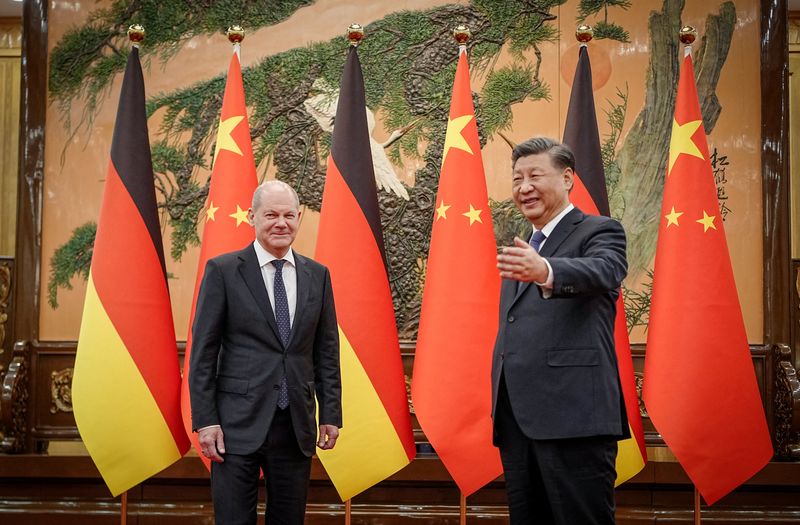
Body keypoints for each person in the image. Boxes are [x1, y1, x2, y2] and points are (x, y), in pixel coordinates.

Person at [492, 137, 629, 524]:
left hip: (574, 420)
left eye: (535, 175)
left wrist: (548, 271)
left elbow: (606, 271)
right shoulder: (524, 246)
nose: (524, 187)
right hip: (519, 422)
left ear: (567, 178)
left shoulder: (600, 231)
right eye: (517, 178)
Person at [189, 180, 341, 525]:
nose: (280, 223)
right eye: (271, 214)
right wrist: (206, 421)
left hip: (296, 425)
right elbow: (203, 354)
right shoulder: (224, 271)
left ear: (299, 218)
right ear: (251, 217)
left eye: (289, 215)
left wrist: (330, 412)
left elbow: (326, 351)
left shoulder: (318, 275)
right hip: (234, 426)